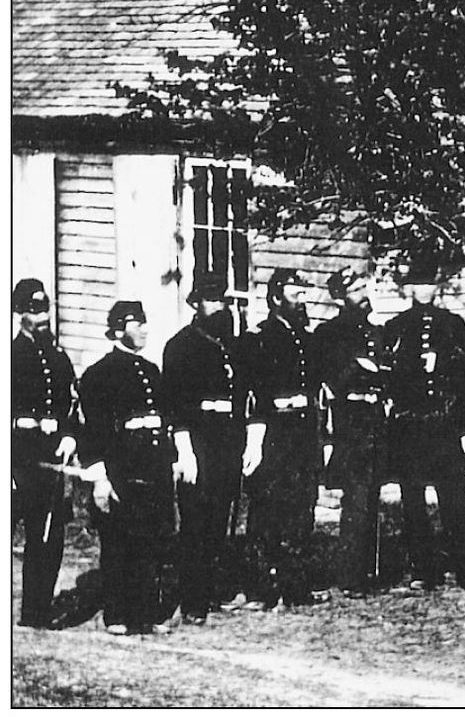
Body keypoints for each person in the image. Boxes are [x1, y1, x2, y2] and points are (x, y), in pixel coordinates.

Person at [77, 301, 176, 635]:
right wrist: (100, 477)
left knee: (152, 539)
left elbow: (164, 421)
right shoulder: (99, 374)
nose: (145, 329)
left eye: (145, 322)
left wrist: (171, 460)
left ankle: (147, 612)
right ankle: (118, 614)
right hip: (122, 468)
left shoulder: (152, 371)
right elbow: (93, 432)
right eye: (137, 323)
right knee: (120, 541)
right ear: (118, 330)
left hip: (154, 466)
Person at [385, 256, 465, 590]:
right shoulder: (395, 328)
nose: (424, 290)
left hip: (445, 424)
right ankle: (423, 571)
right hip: (411, 426)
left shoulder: (454, 325)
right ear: (409, 288)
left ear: (437, 287)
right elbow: (389, 379)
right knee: (413, 500)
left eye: (430, 283)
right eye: (418, 284)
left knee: (453, 498)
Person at [162, 273, 247, 623]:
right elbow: (174, 405)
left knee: (219, 519)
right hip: (197, 440)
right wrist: (185, 451)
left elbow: (242, 394)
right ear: (196, 304)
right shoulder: (180, 346)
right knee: (195, 520)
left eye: (222, 300)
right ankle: (193, 598)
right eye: (211, 300)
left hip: (227, 438)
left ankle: (213, 590)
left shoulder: (232, 343)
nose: (220, 306)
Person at [240, 268, 324, 609]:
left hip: (304, 434)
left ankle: (296, 584)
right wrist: (254, 441)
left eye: (303, 292)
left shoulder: (308, 338)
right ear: (276, 298)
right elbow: (252, 395)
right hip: (274, 434)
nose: (301, 299)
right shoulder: (257, 339)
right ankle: (264, 586)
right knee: (268, 510)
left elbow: (317, 389)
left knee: (302, 508)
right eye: (294, 293)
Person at [314, 267, 390, 597]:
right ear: (340, 296)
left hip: (376, 416)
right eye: (356, 289)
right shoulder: (329, 334)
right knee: (356, 496)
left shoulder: (376, 331)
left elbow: (387, 371)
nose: (364, 294)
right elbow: (330, 381)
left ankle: (368, 570)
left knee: (372, 493)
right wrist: (358, 366)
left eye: (364, 286)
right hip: (350, 419)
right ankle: (350, 575)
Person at [12, 278, 79, 629]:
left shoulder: (58, 356)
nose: (42, 316)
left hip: (51, 456)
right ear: (18, 313)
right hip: (18, 456)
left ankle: (36, 610)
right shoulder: (11, 356)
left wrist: (69, 437)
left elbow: (70, 404)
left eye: (45, 307)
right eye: (34, 309)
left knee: (48, 534)